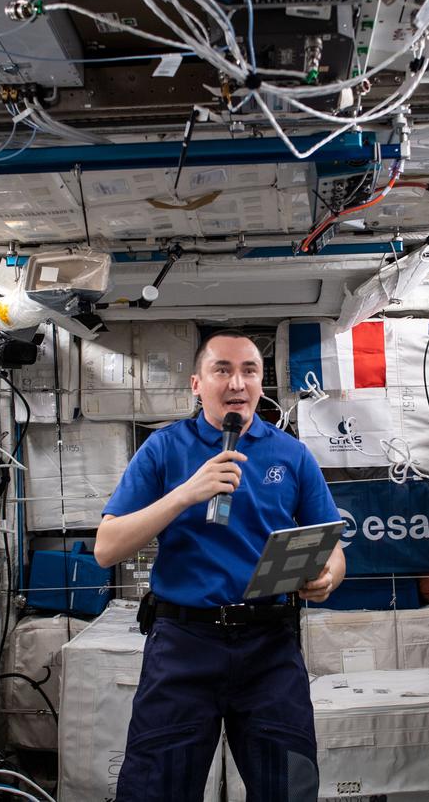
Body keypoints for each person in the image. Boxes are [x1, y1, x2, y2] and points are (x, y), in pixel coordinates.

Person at [94, 329, 346, 802]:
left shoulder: (291, 454)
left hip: (269, 648)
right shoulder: (164, 449)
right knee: (156, 790)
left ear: (261, 382)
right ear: (196, 383)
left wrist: (328, 575)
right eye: (222, 370)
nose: (237, 383)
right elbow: (106, 548)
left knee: (289, 788)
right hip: (184, 646)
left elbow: (332, 545)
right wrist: (185, 493)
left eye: (249, 371)